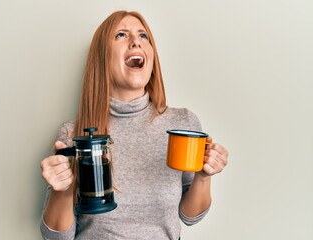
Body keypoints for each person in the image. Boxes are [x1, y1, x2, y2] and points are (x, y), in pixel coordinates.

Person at [40, 10, 229, 240]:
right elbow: (57, 237)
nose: (135, 41)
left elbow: (191, 217)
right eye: (121, 35)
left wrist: (204, 176)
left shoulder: (182, 124)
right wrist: (63, 192)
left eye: (143, 36)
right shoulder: (73, 134)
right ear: (102, 57)